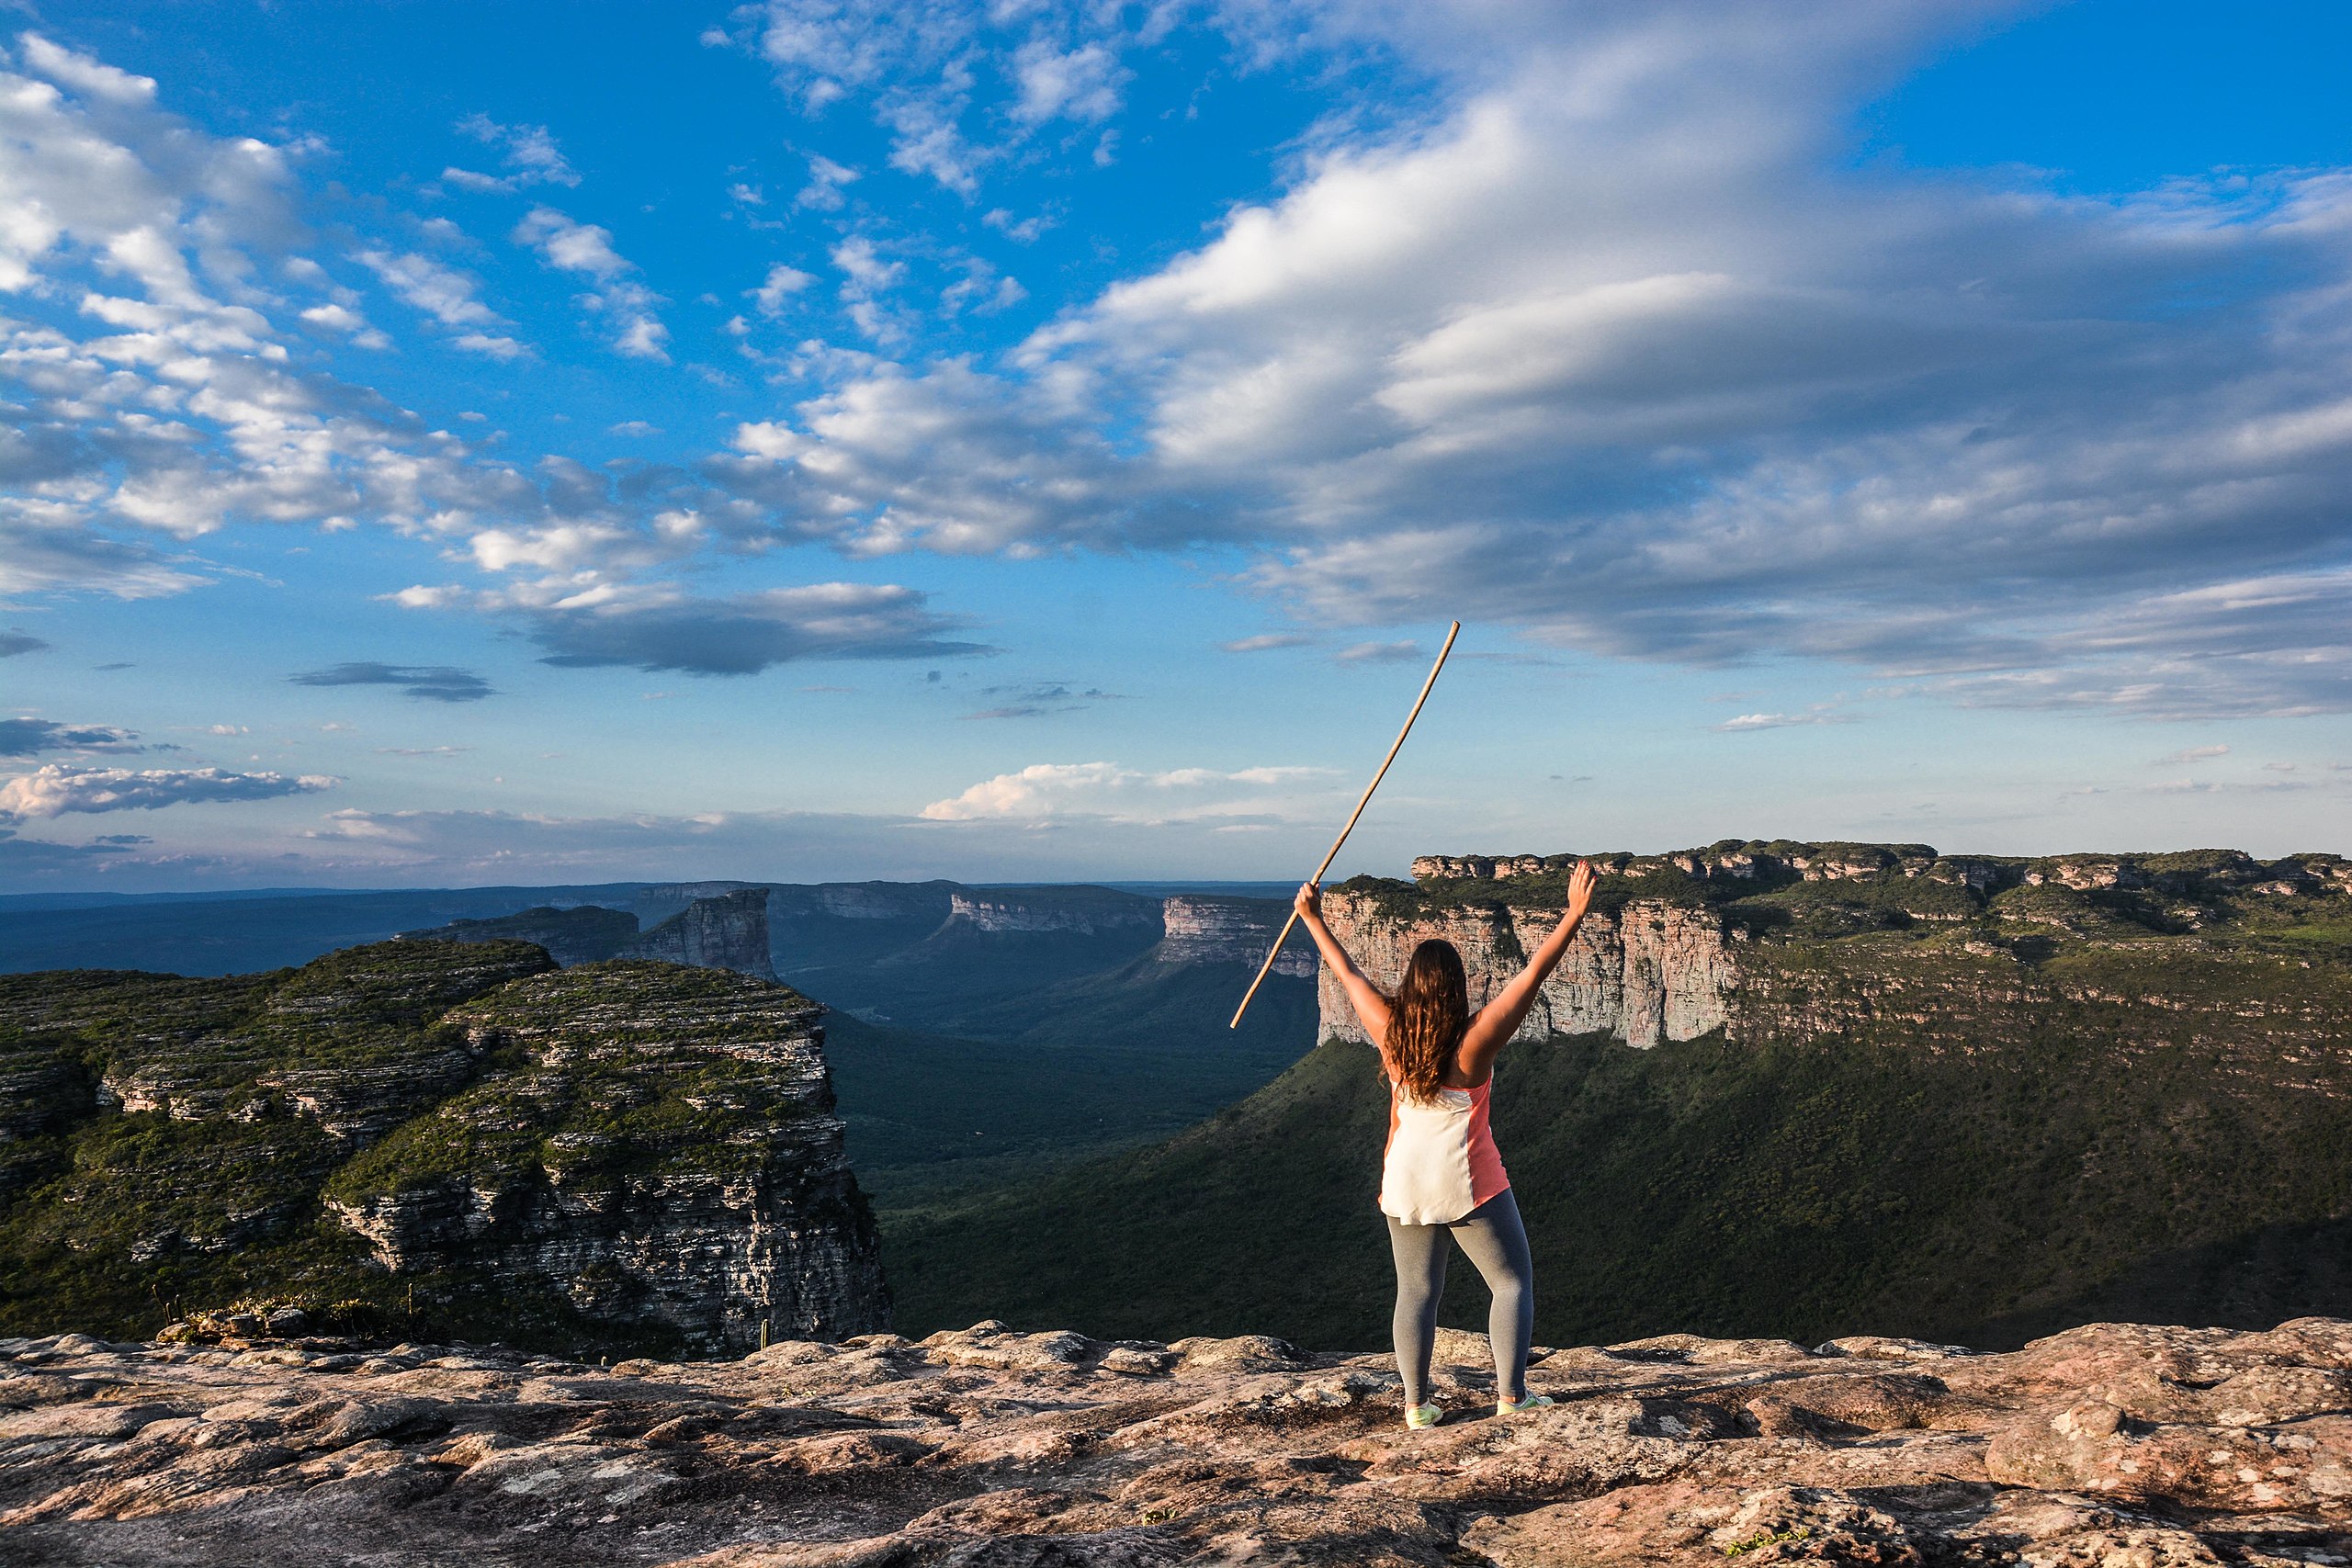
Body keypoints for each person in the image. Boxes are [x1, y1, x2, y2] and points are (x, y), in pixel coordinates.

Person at [1293, 859, 1599, 1430]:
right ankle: (1512, 1395)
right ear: (1458, 987)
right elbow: (1532, 975)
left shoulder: (1391, 1033)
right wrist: (1573, 915)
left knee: (1416, 1293)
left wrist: (1312, 918)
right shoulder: (1475, 1043)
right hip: (1469, 1180)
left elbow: (1347, 973)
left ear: (1410, 984)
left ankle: (1415, 1406)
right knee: (1510, 1282)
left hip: (1403, 1178)